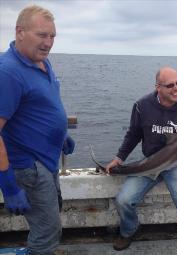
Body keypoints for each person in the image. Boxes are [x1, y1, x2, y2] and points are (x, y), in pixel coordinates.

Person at [106, 67, 177, 254]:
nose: (176, 88)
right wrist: (119, 158)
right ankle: (129, 230)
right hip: (150, 163)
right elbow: (133, 135)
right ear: (157, 87)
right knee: (123, 200)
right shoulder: (142, 106)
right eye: (170, 85)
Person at [0, 5, 75, 254]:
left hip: (47, 159)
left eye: (52, 36)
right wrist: (8, 185)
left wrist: (61, 133)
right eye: (42, 35)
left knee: (50, 221)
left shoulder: (41, 61)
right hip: (29, 166)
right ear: (20, 32)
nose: (48, 42)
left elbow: (42, 103)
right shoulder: (7, 72)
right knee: (47, 232)